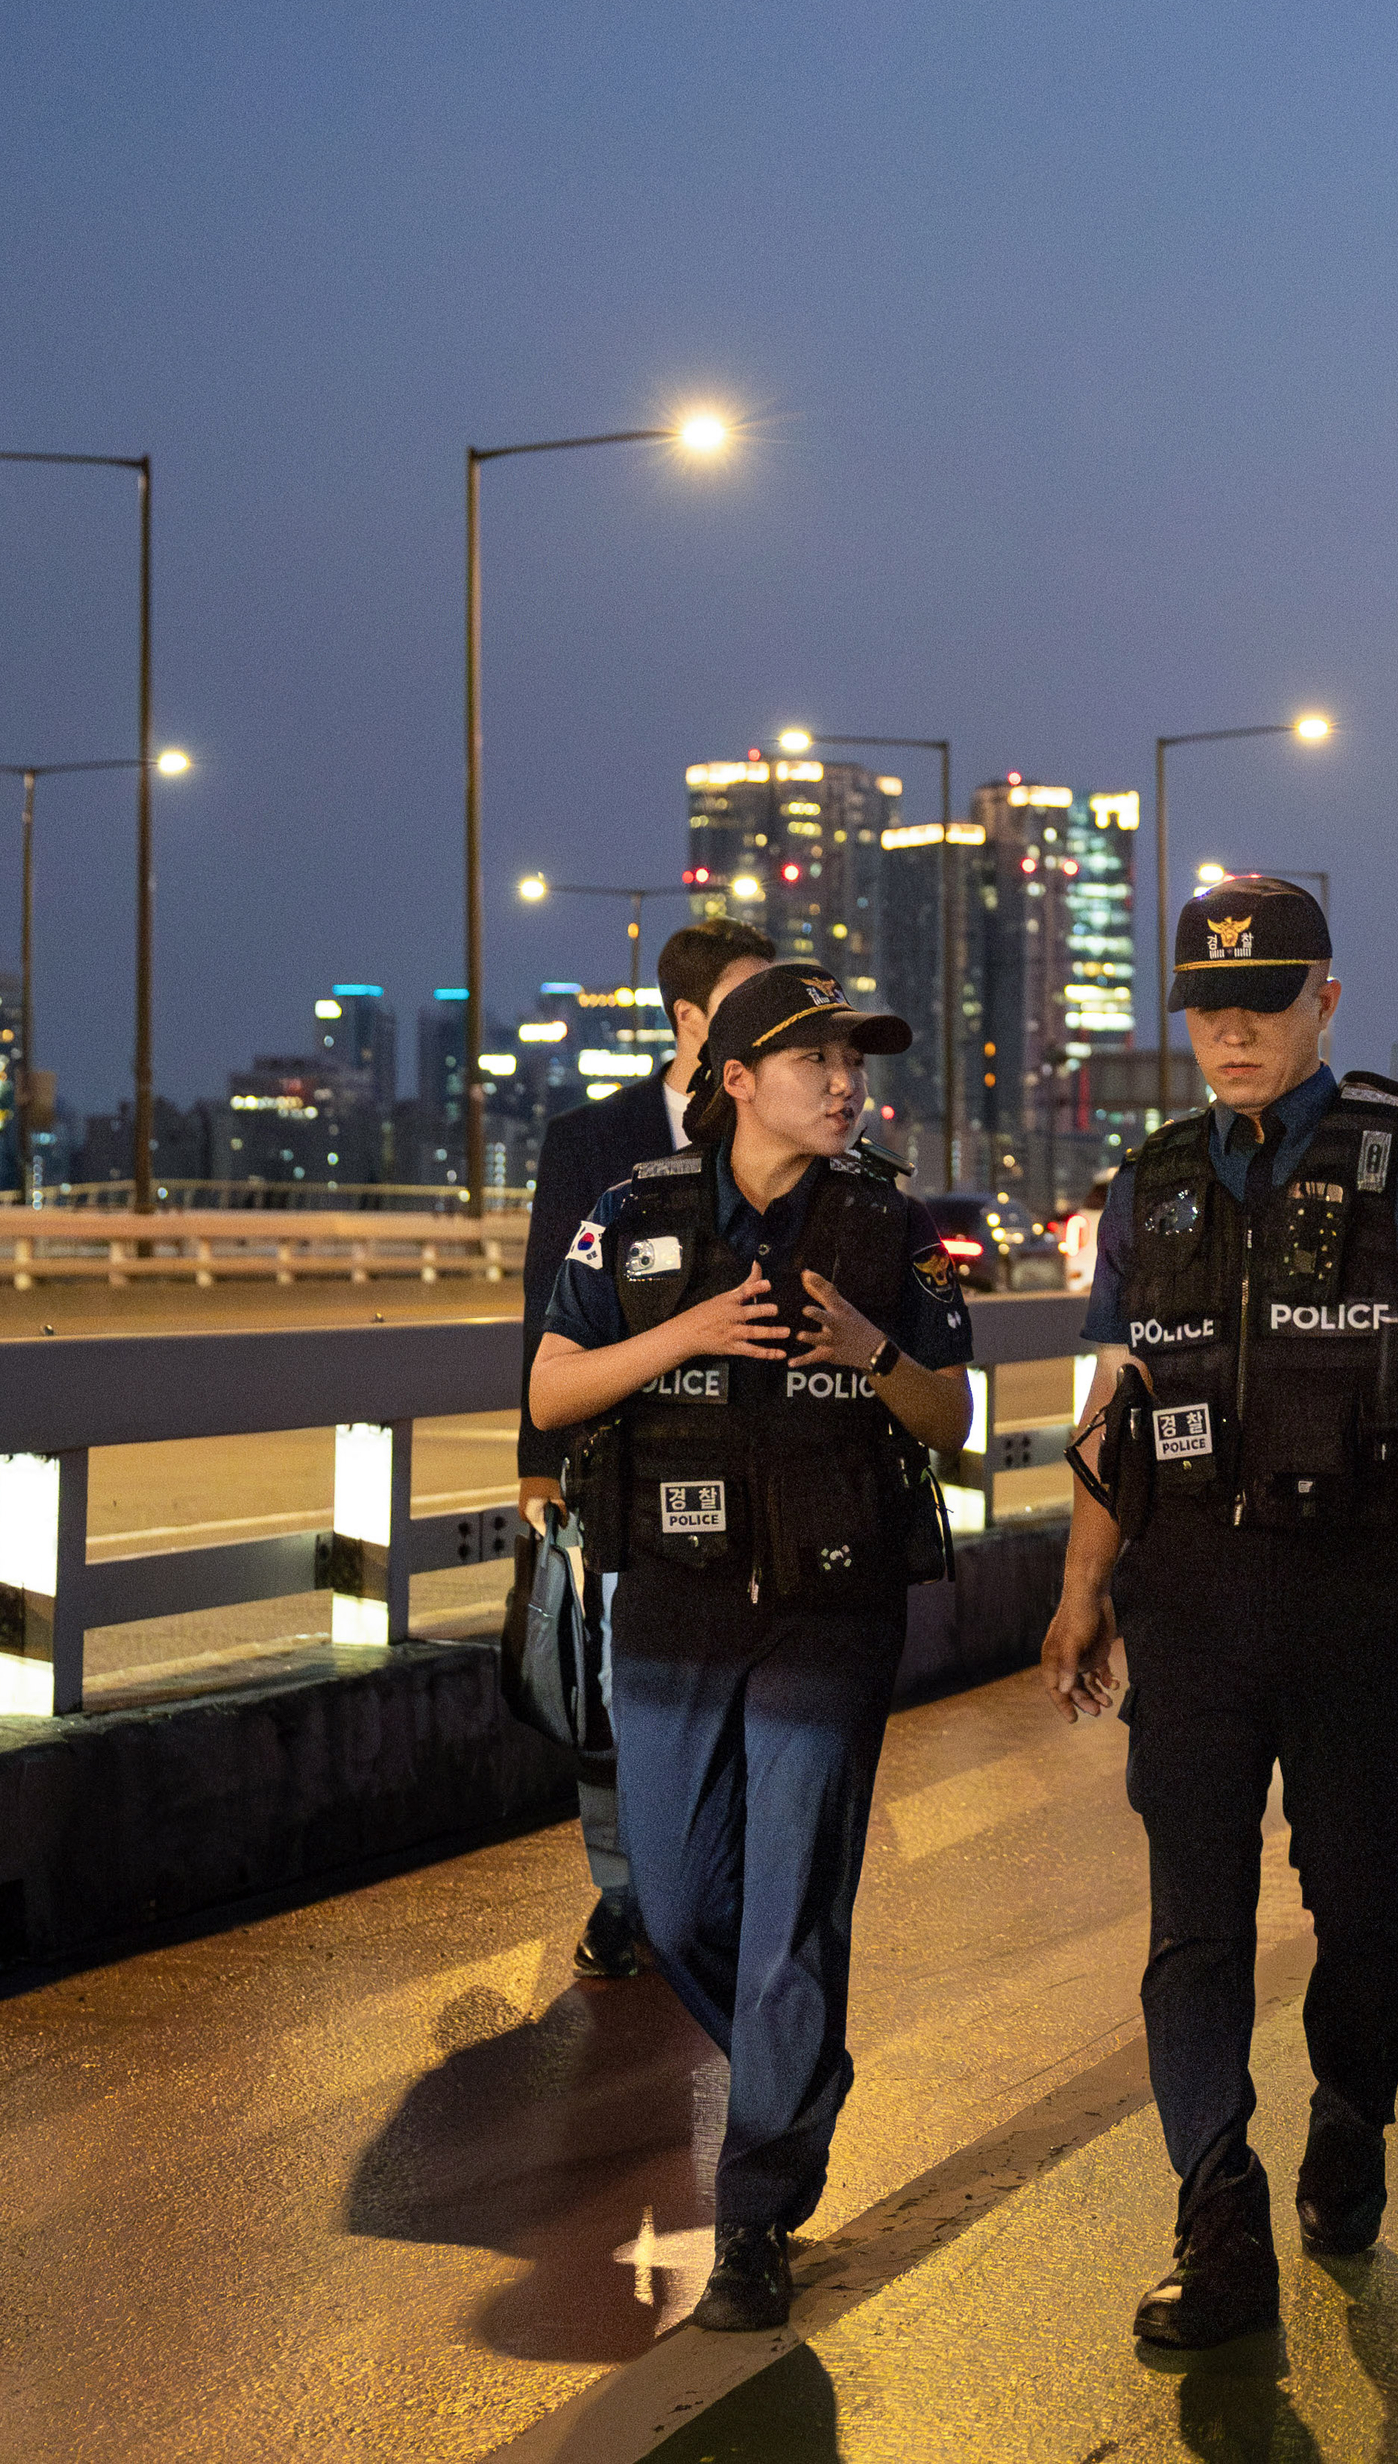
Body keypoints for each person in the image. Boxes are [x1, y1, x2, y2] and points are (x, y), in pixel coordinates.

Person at [1039, 874, 1398, 2352]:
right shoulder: (1152, 1182)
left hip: (1354, 1586)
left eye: (1264, 1001)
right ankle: (1216, 2210)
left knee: (1359, 1894)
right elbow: (1119, 1397)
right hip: (1187, 1593)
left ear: (1326, 1001)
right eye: (1208, 1008)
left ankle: (1353, 2111)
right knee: (1195, 1915)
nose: (1233, 1030)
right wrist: (1081, 1584)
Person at [526, 962, 974, 2331]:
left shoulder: (894, 1229)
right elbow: (550, 1389)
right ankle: (803, 2075)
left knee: (789, 1924)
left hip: (831, 1617)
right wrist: (688, 1334)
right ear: (735, 1082)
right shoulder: (636, 1221)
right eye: (814, 1061)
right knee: (674, 1911)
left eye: (855, 1061)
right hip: (668, 1609)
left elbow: (949, 1416)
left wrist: (867, 1350)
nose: (845, 1083)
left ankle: (759, 2211)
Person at [517, 917, 778, 1981]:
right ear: (689, 1019)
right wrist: (537, 1460)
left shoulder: (786, 1116)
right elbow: (546, 1306)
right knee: (623, 1686)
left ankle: (727, 1880)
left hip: (761, 1463)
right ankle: (623, 1889)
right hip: (630, 1461)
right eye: (750, 1002)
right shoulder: (592, 1137)